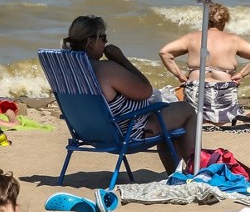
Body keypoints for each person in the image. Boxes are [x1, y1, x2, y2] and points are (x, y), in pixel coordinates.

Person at [64, 15, 198, 173]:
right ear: (91, 42)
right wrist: (122, 60)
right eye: (103, 38)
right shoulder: (104, 69)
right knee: (186, 110)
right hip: (127, 132)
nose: (105, 42)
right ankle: (194, 169)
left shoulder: (67, 70)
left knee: (164, 117)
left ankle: (178, 172)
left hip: (90, 132)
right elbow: (146, 90)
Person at [159, 3, 250, 125]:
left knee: (196, 119)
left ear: (205, 20)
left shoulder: (192, 37)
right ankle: (220, 120)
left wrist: (179, 75)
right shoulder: (233, 39)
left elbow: (164, 52)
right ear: (224, 21)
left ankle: (201, 119)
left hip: (196, 88)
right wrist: (241, 74)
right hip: (224, 89)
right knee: (224, 121)